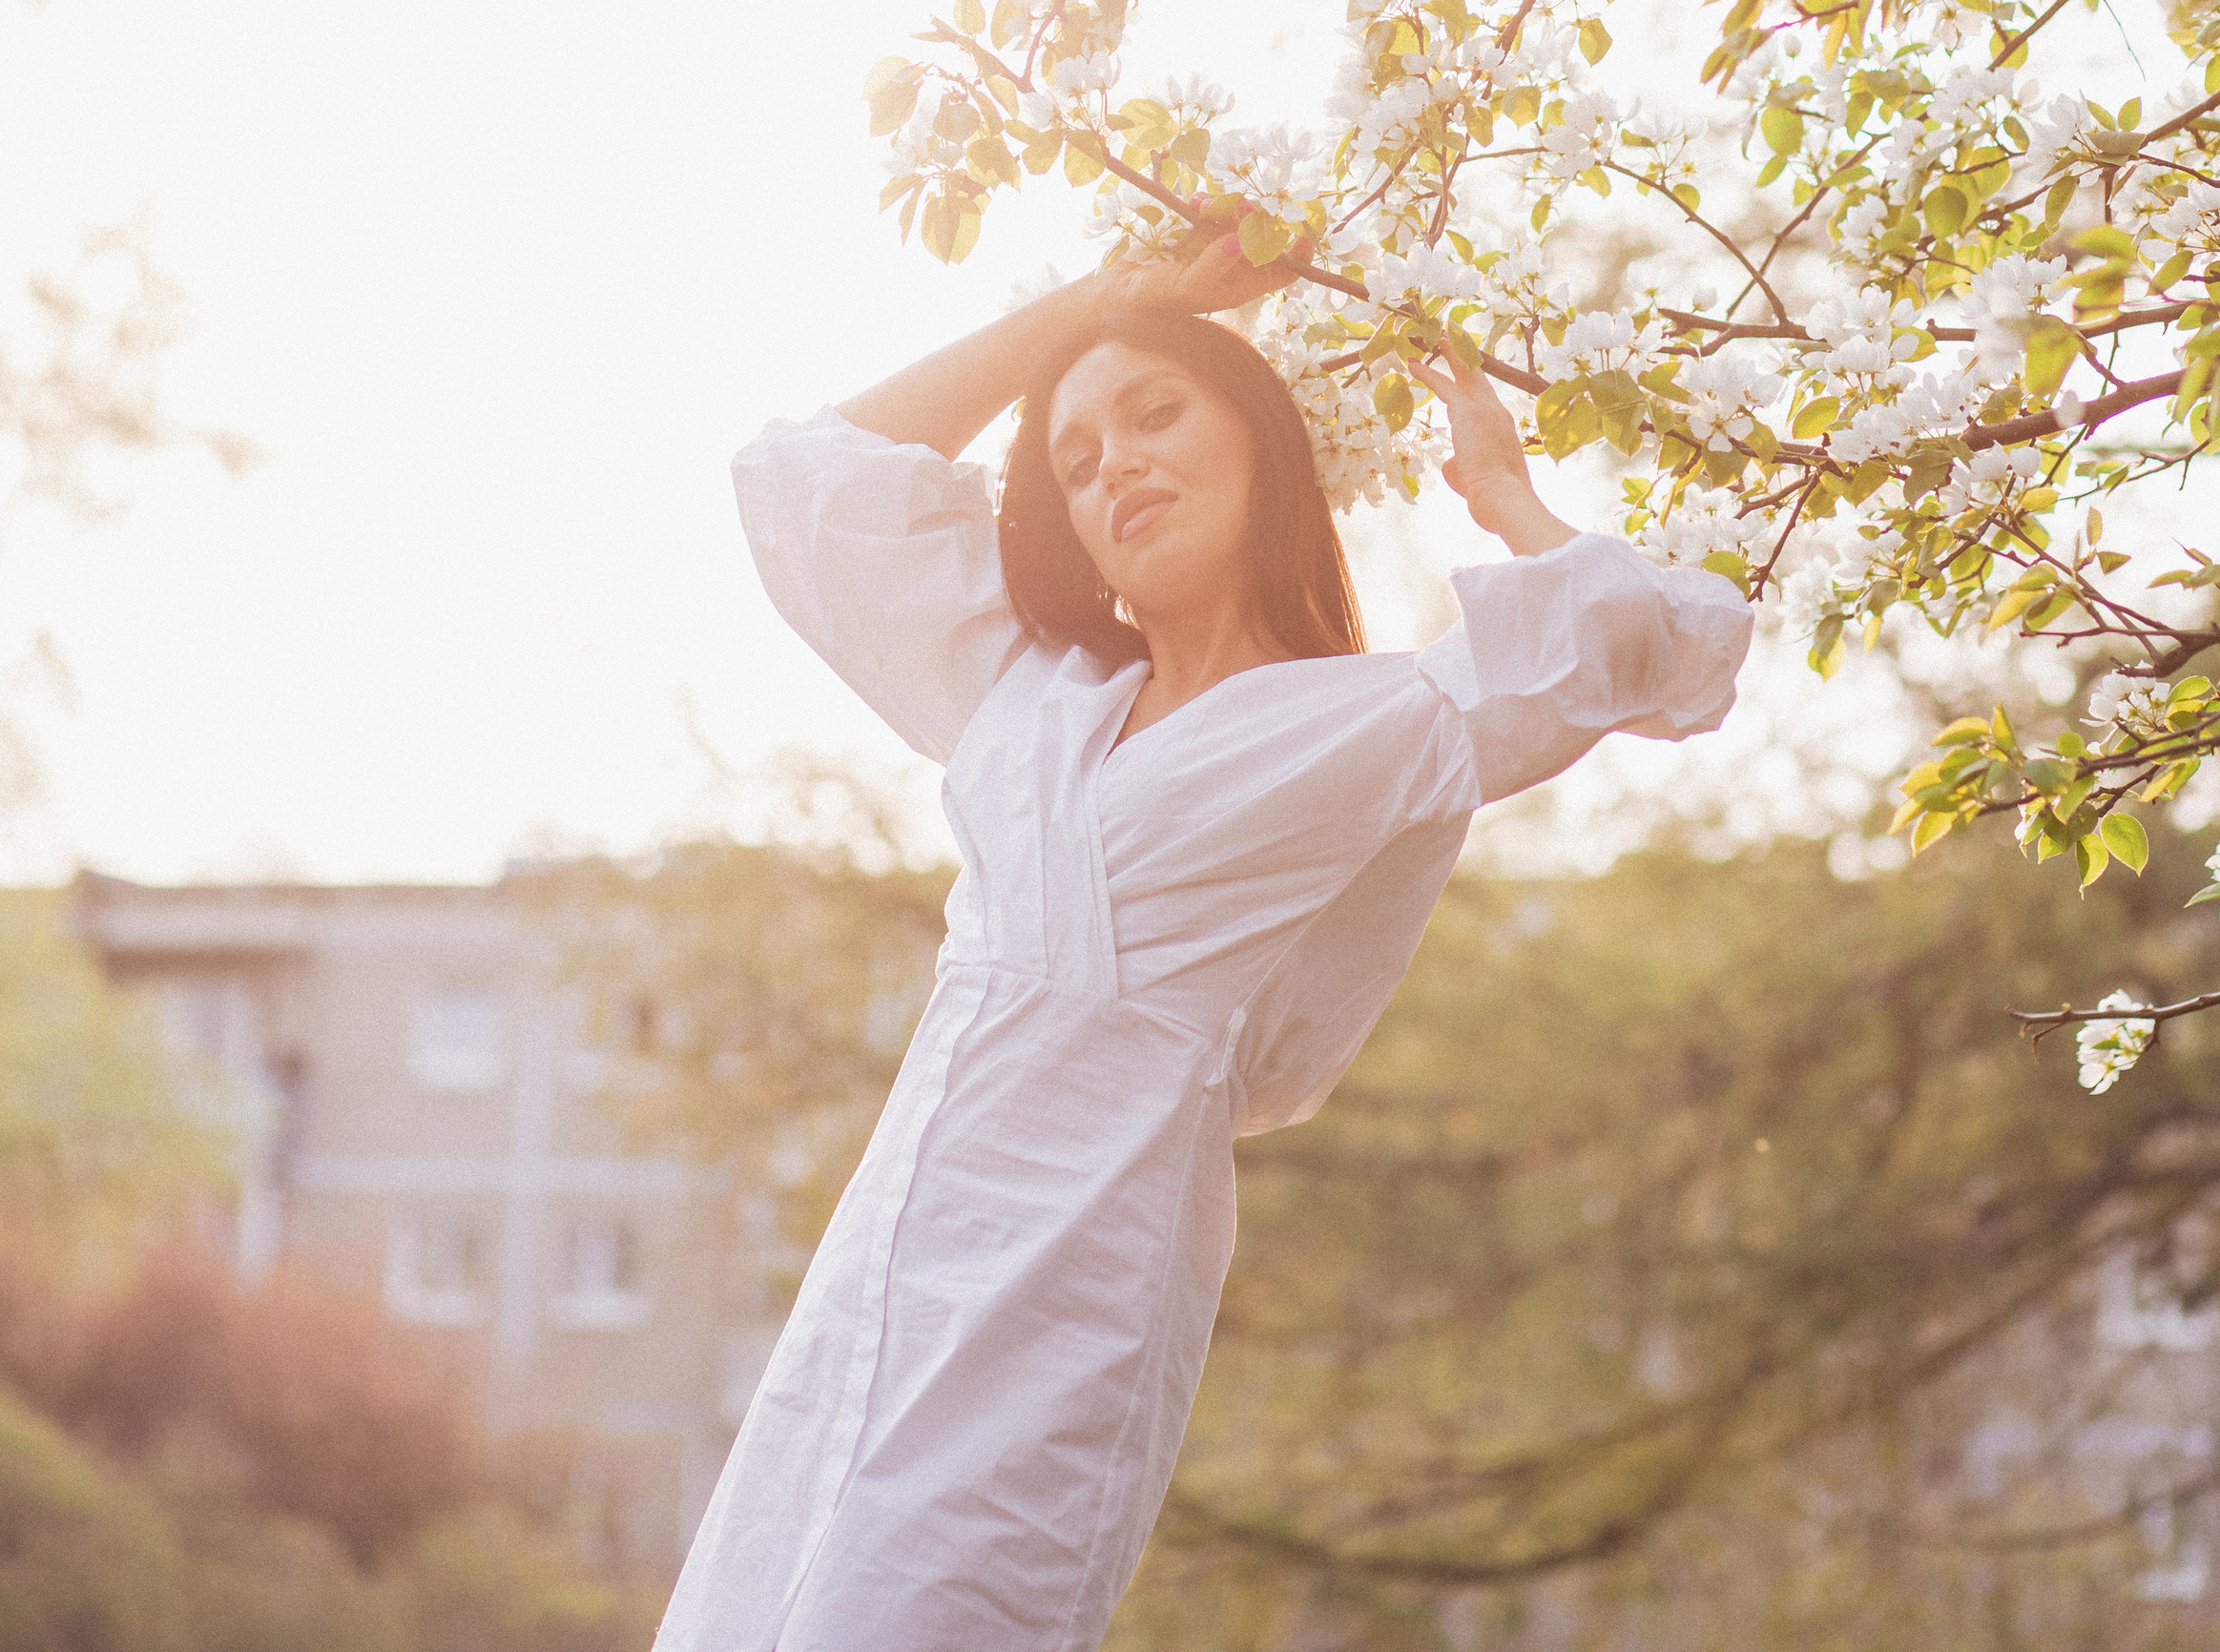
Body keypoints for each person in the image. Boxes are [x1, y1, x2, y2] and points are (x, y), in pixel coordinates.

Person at [655, 238, 1750, 1652]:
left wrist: (1502, 493)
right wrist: (1096, 305)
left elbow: (1669, 644)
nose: (1116, 464)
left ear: (1261, 444)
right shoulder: (1023, 696)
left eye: (1157, 413)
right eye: (1076, 459)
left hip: (1063, 1315)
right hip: (871, 1296)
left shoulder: (1364, 726)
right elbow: (810, 479)